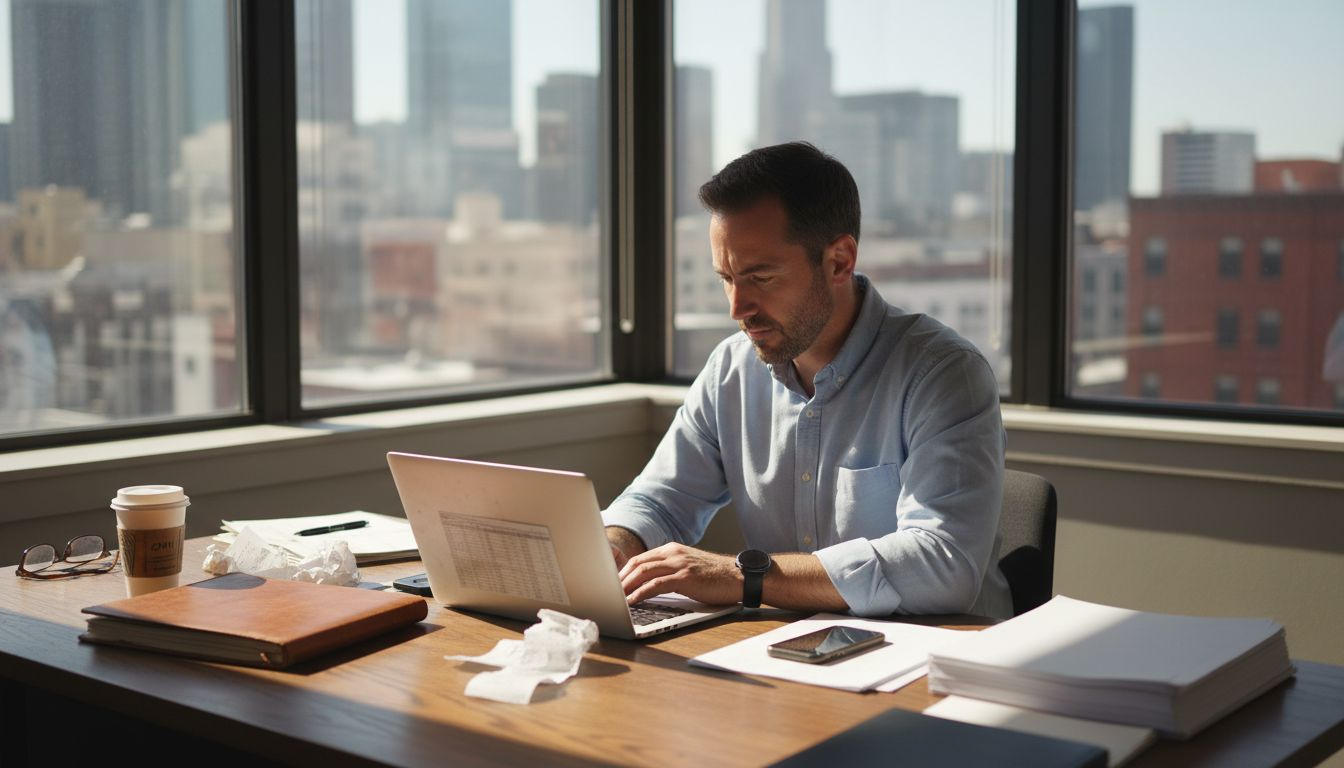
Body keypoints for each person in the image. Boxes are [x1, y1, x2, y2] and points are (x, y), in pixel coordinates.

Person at [602, 142, 1012, 619]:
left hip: (939, 662)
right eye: (726, 278)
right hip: (788, 654)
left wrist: (743, 576)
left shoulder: (943, 374)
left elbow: (943, 563)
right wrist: (615, 544)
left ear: (839, 260)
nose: (737, 308)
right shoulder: (731, 370)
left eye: (760, 277)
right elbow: (662, 498)